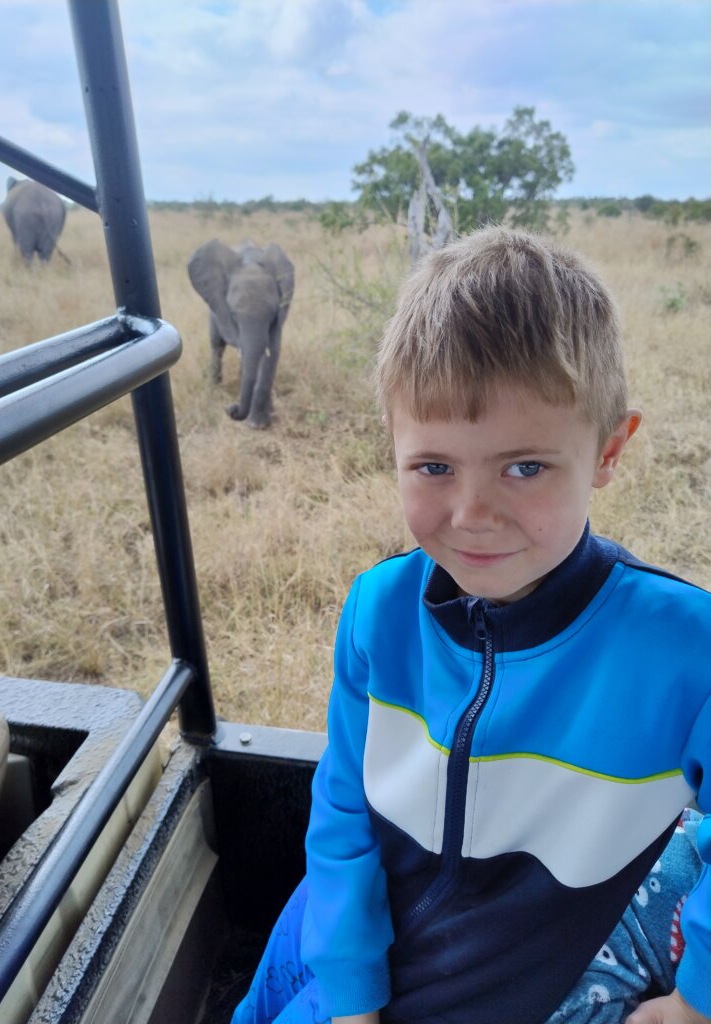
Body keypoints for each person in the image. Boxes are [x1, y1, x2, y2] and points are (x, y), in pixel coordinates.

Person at [231, 227, 711, 1024]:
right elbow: (344, 807)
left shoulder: (683, 649)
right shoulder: (377, 613)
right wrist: (349, 997)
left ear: (608, 451)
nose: (472, 515)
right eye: (433, 467)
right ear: (391, 446)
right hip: (343, 943)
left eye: (524, 467)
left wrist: (697, 1000)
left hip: (511, 987)